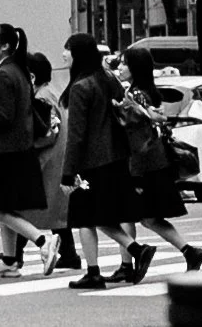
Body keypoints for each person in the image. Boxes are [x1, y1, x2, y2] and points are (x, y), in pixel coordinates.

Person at [103, 48, 202, 282]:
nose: (121, 68)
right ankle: (132, 262)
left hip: (144, 164)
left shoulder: (137, 95)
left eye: (125, 65)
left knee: (144, 217)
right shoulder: (144, 91)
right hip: (149, 161)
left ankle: (186, 252)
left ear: (136, 69)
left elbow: (138, 130)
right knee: (133, 214)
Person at [61, 33, 157, 289]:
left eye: (67, 49)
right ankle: (135, 250)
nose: (64, 54)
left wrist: (68, 172)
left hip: (91, 163)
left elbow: (77, 136)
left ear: (78, 53)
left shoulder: (81, 87)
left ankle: (97, 270)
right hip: (117, 157)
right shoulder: (108, 79)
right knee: (103, 214)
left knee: (84, 217)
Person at [0, 24, 61, 278]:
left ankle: (43, 241)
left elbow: (3, 116)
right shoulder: (20, 70)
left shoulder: (4, 74)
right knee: (8, 207)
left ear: (3, 46)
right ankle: (10, 260)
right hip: (20, 149)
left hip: (7, 151)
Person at [0, 53, 83, 274]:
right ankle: (67, 254)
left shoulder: (41, 98)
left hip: (45, 161)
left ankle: (15, 257)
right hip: (57, 161)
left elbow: (44, 133)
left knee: (17, 208)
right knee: (52, 211)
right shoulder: (51, 93)